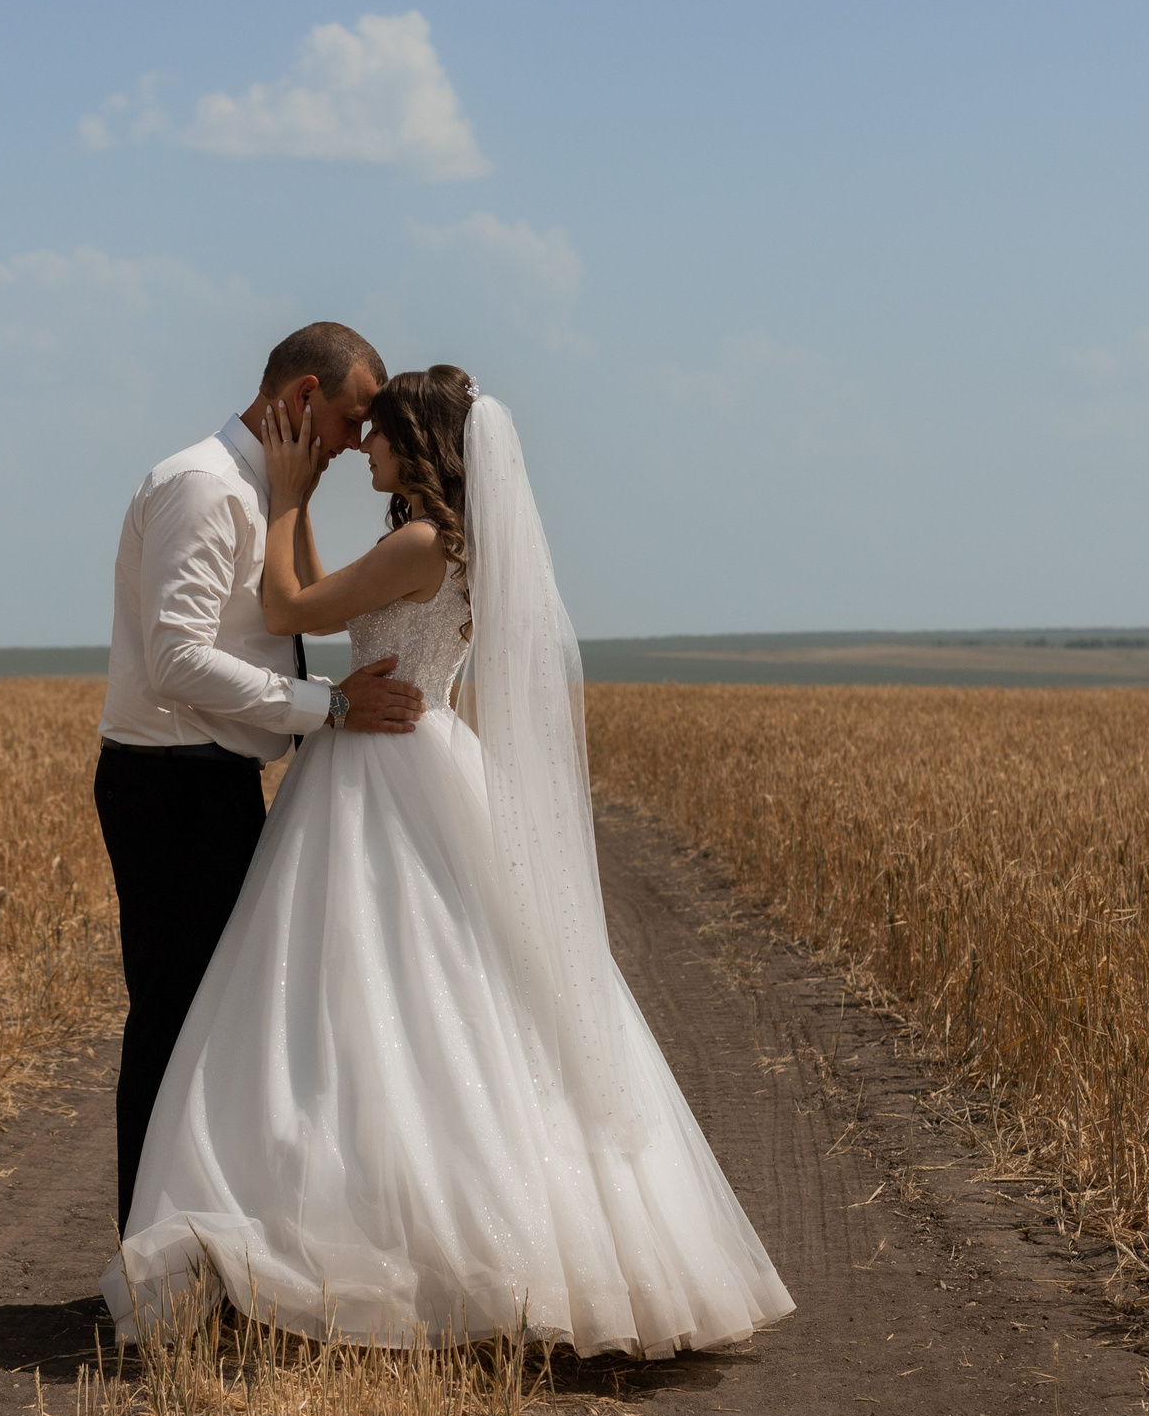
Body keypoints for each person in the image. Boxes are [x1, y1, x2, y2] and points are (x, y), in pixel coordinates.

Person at [103, 365, 795, 1358]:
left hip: (380, 764)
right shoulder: (448, 547)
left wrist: (289, 501)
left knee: (378, 996)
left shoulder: (418, 544)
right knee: (428, 994)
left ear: (417, 445)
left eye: (376, 434)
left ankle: (389, 1251)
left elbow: (292, 608)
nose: (361, 449)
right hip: (414, 758)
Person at [95, 322, 426, 1235]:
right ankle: (150, 1260)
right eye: (352, 419)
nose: (358, 443)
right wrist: (330, 707)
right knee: (173, 1024)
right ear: (303, 398)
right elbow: (176, 662)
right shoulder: (204, 487)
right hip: (169, 788)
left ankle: (193, 1246)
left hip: (212, 783)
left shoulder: (260, 490)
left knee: (219, 1026)